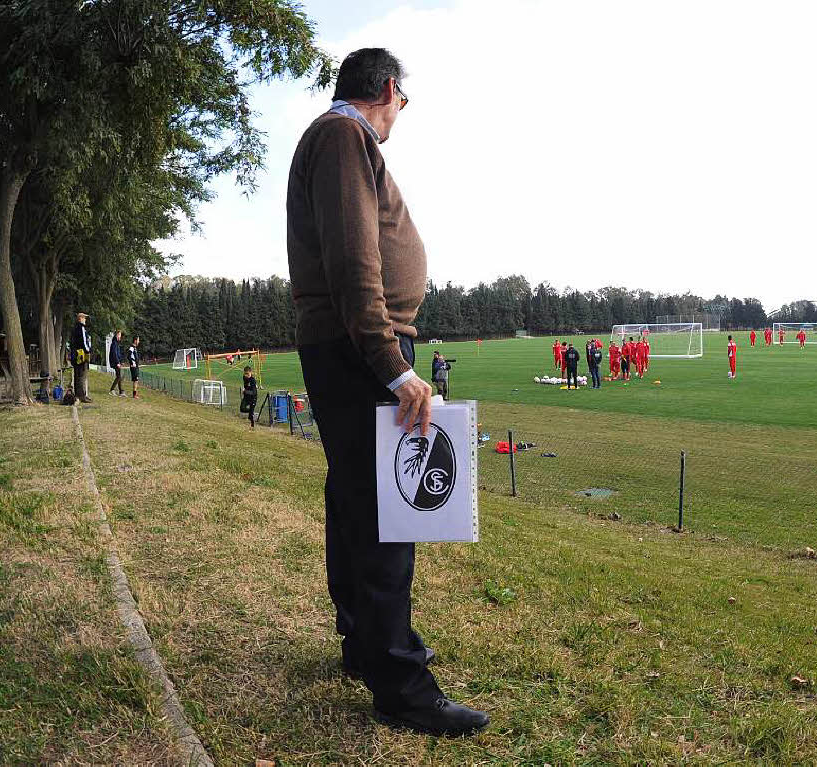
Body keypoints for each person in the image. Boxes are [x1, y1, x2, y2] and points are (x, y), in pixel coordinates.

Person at [286, 47, 487, 735]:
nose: (403, 113)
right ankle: (400, 682)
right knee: (385, 515)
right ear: (391, 89)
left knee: (353, 498)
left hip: (345, 344)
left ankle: (365, 646)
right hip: (361, 347)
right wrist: (392, 364)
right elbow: (352, 260)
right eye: (404, 101)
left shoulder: (335, 140)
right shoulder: (345, 137)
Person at [70, 312, 93, 402]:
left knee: (78, 375)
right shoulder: (81, 328)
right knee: (81, 375)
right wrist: (88, 350)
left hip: (75, 354)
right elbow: (84, 342)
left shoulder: (75, 328)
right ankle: (81, 395)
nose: (85, 320)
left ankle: (80, 394)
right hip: (81, 354)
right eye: (84, 318)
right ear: (80, 319)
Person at [108, 330, 125, 396]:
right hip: (115, 362)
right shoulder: (114, 343)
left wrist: (121, 361)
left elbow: (118, 354)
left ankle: (121, 391)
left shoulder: (116, 343)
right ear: (117, 335)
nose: (120, 336)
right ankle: (112, 390)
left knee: (119, 376)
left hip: (117, 361)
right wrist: (118, 362)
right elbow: (114, 354)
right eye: (120, 335)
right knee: (119, 376)